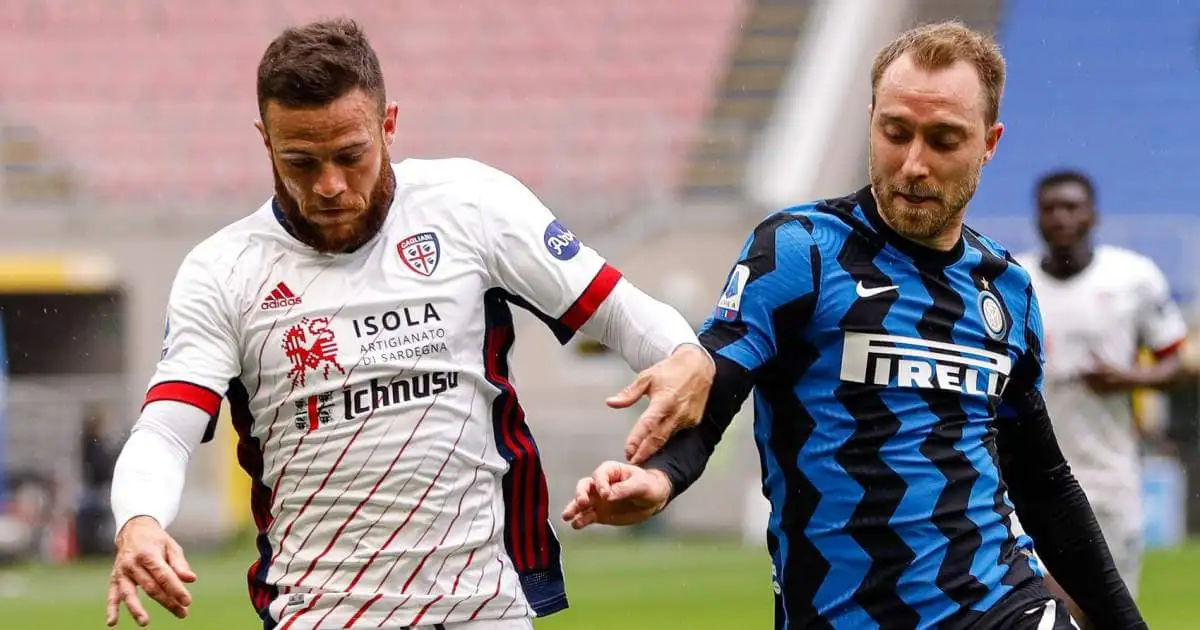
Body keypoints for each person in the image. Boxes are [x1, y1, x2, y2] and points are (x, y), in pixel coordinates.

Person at [105, 18, 714, 630]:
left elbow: (634, 321)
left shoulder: (473, 207)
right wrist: (139, 521)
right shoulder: (223, 271)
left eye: (351, 155)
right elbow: (166, 431)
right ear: (264, 140)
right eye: (300, 161)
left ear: (389, 125)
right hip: (321, 614)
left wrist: (687, 355)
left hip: (486, 609)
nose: (330, 186)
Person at [562, 21, 1147, 630]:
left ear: (990, 142)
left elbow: (1042, 482)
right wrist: (661, 475)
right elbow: (722, 375)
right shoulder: (802, 250)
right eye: (896, 133)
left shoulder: (1006, 289)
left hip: (999, 604)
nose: (914, 164)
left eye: (944, 140)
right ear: (871, 120)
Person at [1011, 169, 1191, 613]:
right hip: (1025, 481)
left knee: (1108, 611)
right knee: (1033, 610)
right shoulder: (1013, 281)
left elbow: (1179, 361)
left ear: (1094, 216)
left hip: (1108, 479)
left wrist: (1129, 379)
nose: (1061, 217)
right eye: (1050, 208)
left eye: (1072, 207)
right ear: (1036, 218)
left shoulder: (1134, 278)